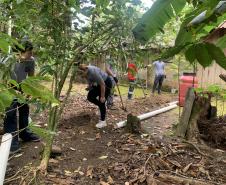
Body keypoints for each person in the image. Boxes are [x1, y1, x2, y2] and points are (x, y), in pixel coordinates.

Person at [4, 40, 40, 153]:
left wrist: (29, 91)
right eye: (29, 53)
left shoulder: (30, 61)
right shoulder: (8, 60)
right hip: (8, 87)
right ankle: (12, 143)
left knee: (24, 110)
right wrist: (13, 92)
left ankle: (25, 134)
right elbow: (3, 79)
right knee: (11, 114)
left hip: (22, 86)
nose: (31, 55)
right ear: (19, 52)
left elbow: (31, 77)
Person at [78, 64, 113, 128]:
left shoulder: (93, 72)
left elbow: (102, 84)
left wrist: (102, 96)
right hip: (98, 84)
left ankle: (103, 121)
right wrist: (89, 87)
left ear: (85, 71)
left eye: (83, 75)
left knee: (101, 101)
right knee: (90, 97)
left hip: (106, 83)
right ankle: (101, 106)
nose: (83, 77)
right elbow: (90, 82)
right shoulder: (86, 73)